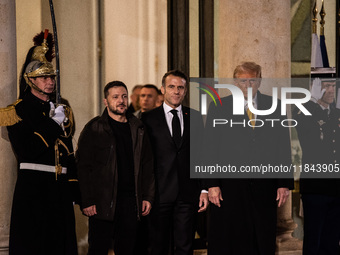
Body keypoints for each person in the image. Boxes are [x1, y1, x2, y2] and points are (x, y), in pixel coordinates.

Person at [205, 62, 293, 255]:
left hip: (264, 188)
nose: (248, 85)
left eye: (252, 80)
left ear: (260, 81)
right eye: (243, 81)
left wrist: (283, 183)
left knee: (261, 239)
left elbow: (282, 147)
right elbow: (210, 147)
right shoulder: (219, 107)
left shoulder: (275, 106)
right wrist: (211, 184)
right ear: (236, 82)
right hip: (229, 188)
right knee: (230, 241)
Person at [5, 32, 78, 255]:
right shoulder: (17, 111)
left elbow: (69, 153)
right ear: (31, 80)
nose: (50, 82)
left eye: (52, 77)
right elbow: (28, 150)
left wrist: (74, 188)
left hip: (60, 188)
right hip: (34, 188)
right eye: (44, 78)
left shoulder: (60, 108)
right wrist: (53, 124)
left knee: (61, 245)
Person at [76, 81, 155, 255]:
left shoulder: (138, 127)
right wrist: (86, 200)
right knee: (98, 249)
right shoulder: (94, 128)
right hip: (102, 202)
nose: (121, 100)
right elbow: (83, 167)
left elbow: (147, 165)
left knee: (128, 250)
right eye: (116, 97)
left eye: (124, 96)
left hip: (130, 202)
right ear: (106, 101)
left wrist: (147, 196)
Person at [142, 70, 208, 255]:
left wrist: (204, 189)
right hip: (159, 194)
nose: (176, 91)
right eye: (172, 87)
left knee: (185, 246)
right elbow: (144, 159)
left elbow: (202, 154)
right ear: (163, 89)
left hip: (188, 193)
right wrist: (146, 194)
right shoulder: (147, 119)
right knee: (158, 246)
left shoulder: (195, 117)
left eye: (181, 87)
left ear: (185, 91)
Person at [293, 77, 340, 255]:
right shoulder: (306, 113)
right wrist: (312, 100)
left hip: (337, 188)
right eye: (326, 86)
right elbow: (300, 123)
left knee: (332, 241)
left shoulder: (336, 114)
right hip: (317, 188)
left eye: (333, 86)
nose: (330, 90)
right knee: (314, 241)